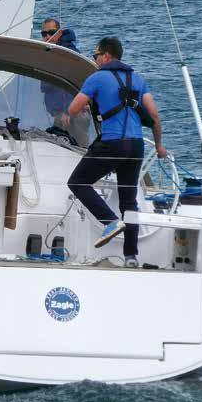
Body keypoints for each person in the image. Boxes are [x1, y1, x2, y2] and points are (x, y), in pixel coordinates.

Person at [66, 37, 167, 267]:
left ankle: (110, 221)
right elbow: (154, 117)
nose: (94, 60)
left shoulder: (97, 78)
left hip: (113, 144)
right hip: (136, 146)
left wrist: (89, 104)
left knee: (78, 182)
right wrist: (159, 146)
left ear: (107, 56)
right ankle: (131, 257)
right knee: (129, 201)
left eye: (96, 55)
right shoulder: (138, 80)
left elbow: (73, 109)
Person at [38, 18, 89, 145]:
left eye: (51, 32)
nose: (47, 36)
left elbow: (70, 85)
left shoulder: (66, 53)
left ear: (59, 33)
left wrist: (68, 111)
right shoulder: (51, 53)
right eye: (44, 34)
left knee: (79, 148)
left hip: (71, 115)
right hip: (62, 114)